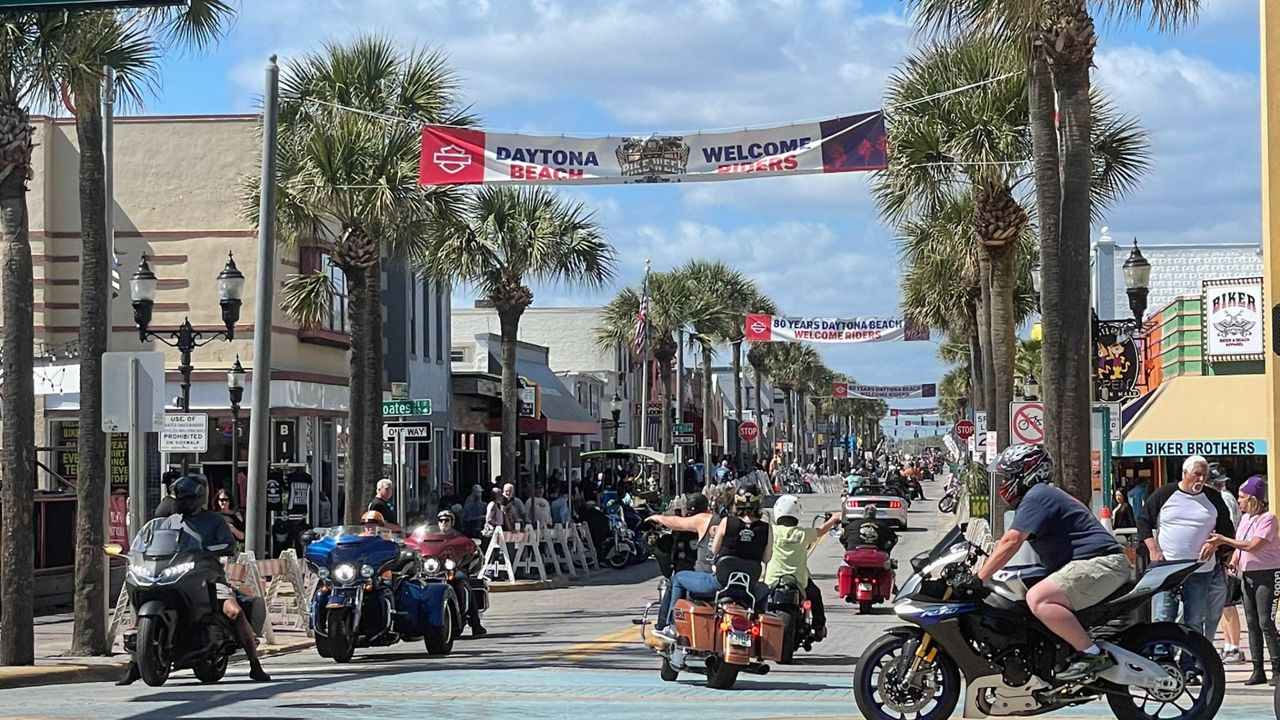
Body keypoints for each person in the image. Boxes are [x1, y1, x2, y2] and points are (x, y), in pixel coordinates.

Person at [975, 444, 1132, 681]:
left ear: (1026, 472)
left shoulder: (1037, 495)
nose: (1004, 483)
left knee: (1039, 598)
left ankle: (1091, 655)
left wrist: (978, 578)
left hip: (1101, 563)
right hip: (1094, 564)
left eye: (1008, 476)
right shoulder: (1042, 495)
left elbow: (1011, 540)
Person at [118, 473, 270, 685]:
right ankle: (135, 663)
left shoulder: (214, 521)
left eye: (185, 497)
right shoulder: (165, 523)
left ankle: (255, 664)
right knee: (137, 609)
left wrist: (220, 548)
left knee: (233, 611)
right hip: (170, 574)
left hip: (207, 576)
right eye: (178, 498)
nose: (180, 502)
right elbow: (147, 542)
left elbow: (229, 544)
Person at [651, 487, 773, 644]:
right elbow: (767, 558)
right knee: (765, 589)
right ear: (759, 503)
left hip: (720, 584)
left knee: (679, 578)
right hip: (748, 589)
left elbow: (714, 551)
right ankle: (759, 631)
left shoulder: (727, 522)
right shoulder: (766, 528)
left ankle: (671, 626)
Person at [1137, 454, 1234, 644]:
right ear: (1184, 473)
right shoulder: (1165, 493)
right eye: (1197, 474)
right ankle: (1162, 661)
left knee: (1195, 621)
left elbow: (1227, 530)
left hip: (1199, 570)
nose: (1201, 479)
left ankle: (1190, 664)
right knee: (1162, 617)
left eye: (1204, 475)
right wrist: (1153, 549)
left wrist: (1214, 543)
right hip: (1167, 569)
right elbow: (1143, 521)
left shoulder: (1213, 498)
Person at [1206, 475, 1280, 685]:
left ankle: (1277, 667)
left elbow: (1252, 545)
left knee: (1266, 621)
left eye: (1242, 497)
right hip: (1248, 574)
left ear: (1253, 499)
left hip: (1267, 572)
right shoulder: (1246, 519)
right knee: (1252, 621)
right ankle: (1258, 669)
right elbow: (1241, 545)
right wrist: (1234, 559)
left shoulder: (1268, 519)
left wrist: (1223, 540)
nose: (1238, 501)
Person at [645, 493, 720, 642]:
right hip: (729, 580)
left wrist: (658, 518)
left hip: (704, 578)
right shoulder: (726, 522)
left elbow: (676, 523)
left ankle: (667, 625)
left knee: (675, 580)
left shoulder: (702, 520)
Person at [765, 495, 841, 639]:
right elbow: (821, 530)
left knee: (758, 599)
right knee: (815, 595)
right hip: (799, 581)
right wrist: (833, 519)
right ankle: (819, 627)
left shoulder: (771, 532)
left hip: (772, 580)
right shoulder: (802, 534)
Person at [1210, 465, 1245, 664]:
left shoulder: (1225, 499)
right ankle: (1228, 644)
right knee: (1222, 604)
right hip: (1223, 556)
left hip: (1228, 556)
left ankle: (1235, 646)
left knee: (1229, 603)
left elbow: (1231, 530)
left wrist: (1231, 556)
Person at [435, 510, 487, 636]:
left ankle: (476, 623)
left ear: (452, 522)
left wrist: (464, 560)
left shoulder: (458, 539)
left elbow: (470, 550)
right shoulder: (431, 538)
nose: (443, 523)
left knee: (465, 585)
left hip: (454, 569)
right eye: (441, 520)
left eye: (446, 520)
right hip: (434, 571)